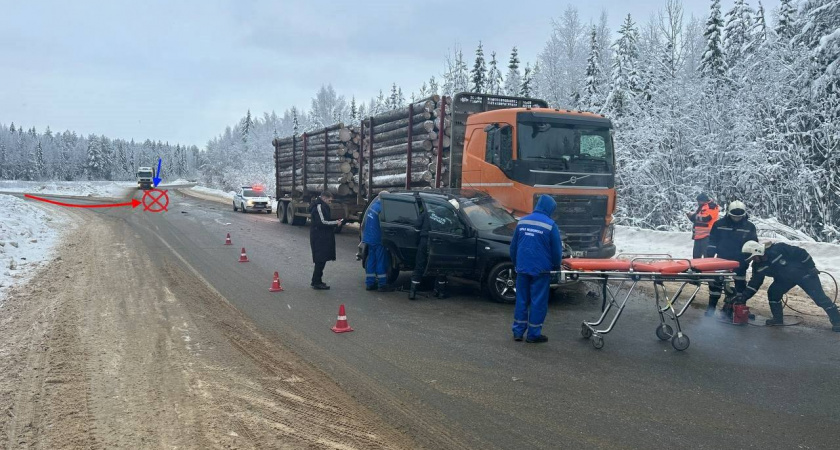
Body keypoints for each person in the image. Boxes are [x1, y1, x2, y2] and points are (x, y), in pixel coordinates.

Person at [737, 240, 840, 331]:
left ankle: (837, 321)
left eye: (753, 257)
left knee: (819, 298)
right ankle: (777, 319)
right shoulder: (758, 266)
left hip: (805, 274)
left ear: (758, 251)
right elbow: (754, 283)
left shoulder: (779, 249)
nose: (753, 260)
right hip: (785, 280)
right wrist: (744, 297)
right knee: (773, 293)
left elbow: (801, 253)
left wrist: (811, 267)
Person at [510, 195, 562, 343]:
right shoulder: (550, 225)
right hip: (541, 270)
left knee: (521, 300)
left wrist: (516, 263)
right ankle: (533, 334)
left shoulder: (522, 221)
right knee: (538, 302)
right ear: (550, 208)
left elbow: (513, 246)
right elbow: (557, 251)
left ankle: (518, 332)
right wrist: (556, 266)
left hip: (522, 268)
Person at [704, 200, 758, 317]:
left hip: (740, 262)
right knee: (715, 284)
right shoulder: (719, 224)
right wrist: (710, 255)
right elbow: (712, 240)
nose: (736, 219)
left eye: (739, 217)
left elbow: (753, 244)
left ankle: (738, 307)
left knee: (740, 286)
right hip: (721, 260)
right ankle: (711, 308)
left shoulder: (749, 227)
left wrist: (746, 260)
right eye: (734, 216)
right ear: (729, 213)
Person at [408, 200, 448, 300]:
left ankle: (413, 292)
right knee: (440, 267)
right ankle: (441, 292)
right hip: (438, 243)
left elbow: (417, 226)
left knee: (419, 265)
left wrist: (418, 240)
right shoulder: (447, 216)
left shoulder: (427, 213)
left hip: (424, 241)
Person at [309, 191, 343, 290]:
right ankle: (316, 282)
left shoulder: (321, 206)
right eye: (329, 200)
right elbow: (322, 222)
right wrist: (335, 223)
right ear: (324, 198)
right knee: (320, 259)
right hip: (319, 237)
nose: (330, 202)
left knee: (322, 259)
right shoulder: (319, 206)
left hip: (322, 236)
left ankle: (316, 280)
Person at [361, 194, 393, 292]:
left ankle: (370, 283)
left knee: (371, 260)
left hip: (369, 238)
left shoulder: (373, 206)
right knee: (380, 260)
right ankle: (382, 284)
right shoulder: (381, 209)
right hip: (378, 239)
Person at [687, 193, 720, 258]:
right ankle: (696, 268)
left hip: (707, 236)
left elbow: (706, 218)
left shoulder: (712, 206)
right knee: (696, 258)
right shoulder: (702, 207)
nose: (698, 202)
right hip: (698, 236)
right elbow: (698, 221)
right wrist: (691, 217)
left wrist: (694, 216)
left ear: (704, 200)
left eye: (699, 201)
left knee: (707, 257)